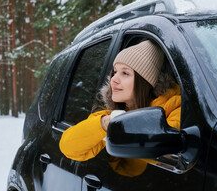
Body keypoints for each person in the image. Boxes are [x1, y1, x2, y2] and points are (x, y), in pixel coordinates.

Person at [59, 40, 181, 177]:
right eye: (115, 72)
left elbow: (159, 154)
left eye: (125, 73)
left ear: (146, 81)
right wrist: (104, 124)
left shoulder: (175, 109)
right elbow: (68, 148)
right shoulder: (111, 115)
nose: (113, 80)